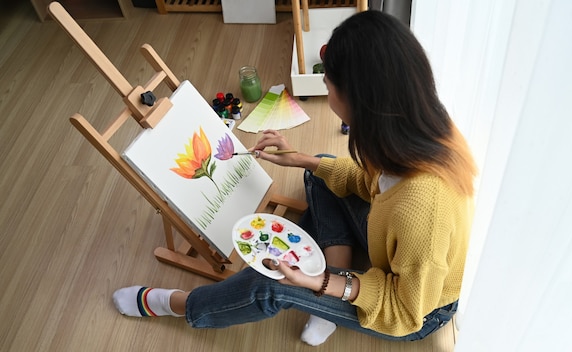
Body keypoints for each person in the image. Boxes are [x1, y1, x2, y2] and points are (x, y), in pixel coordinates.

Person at [112, 10, 477, 346]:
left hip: (417, 310)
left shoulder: (423, 209)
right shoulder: (418, 127)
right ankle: (327, 296)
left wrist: (319, 282)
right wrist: (298, 159)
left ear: (356, 101)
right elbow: (372, 184)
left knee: (272, 284)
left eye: (328, 82)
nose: (325, 87)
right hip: (394, 247)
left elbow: (405, 313)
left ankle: (179, 305)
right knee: (321, 169)